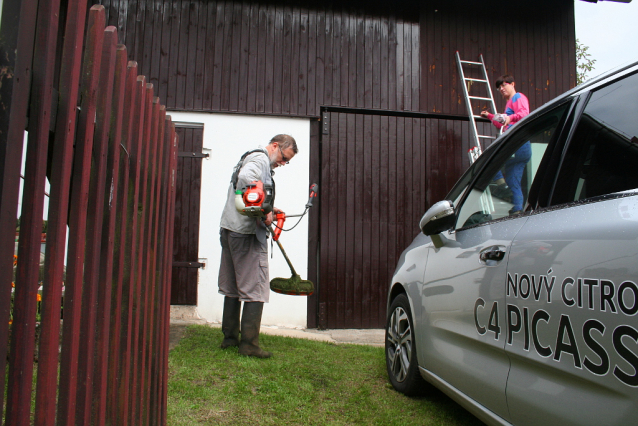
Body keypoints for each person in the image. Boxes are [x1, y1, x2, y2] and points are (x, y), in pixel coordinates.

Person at [218, 134, 298, 358]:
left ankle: (230, 338)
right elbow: (246, 178)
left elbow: (244, 192)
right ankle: (249, 345)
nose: (283, 163)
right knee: (255, 288)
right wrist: (264, 209)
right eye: (284, 157)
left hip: (230, 229)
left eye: (286, 161)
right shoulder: (260, 160)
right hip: (245, 235)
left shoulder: (249, 156)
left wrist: (271, 209)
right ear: (275, 146)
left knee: (233, 286)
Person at [480, 75, 531, 215]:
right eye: (499, 88)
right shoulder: (509, 103)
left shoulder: (518, 97)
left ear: (513, 84)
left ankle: (503, 189)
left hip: (517, 143)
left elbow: (524, 114)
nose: (501, 89)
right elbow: (500, 122)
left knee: (491, 159)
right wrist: (490, 116)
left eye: (504, 85)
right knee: (513, 181)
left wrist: (509, 118)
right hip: (522, 147)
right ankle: (517, 210)